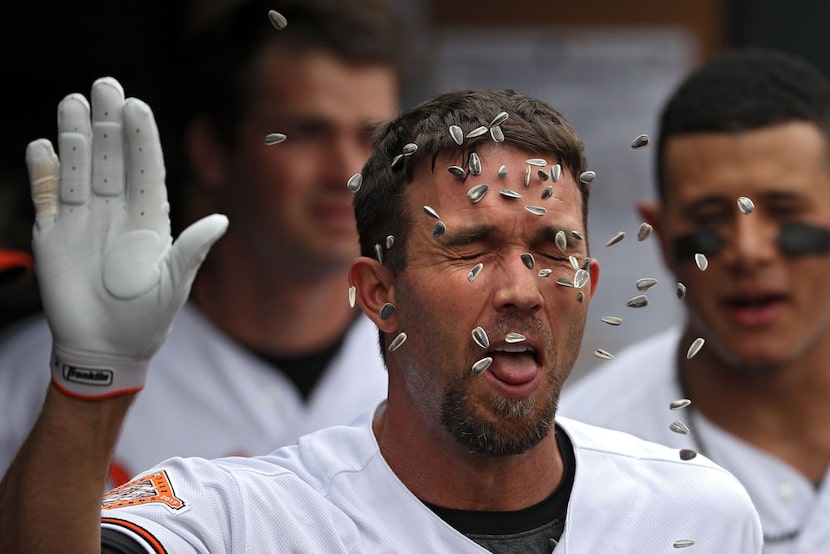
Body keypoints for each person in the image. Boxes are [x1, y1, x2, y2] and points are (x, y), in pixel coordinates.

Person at [0, 79, 762, 552]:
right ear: (376, 292)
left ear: (590, 283)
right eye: (471, 248)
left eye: (553, 249)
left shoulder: (700, 514)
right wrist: (95, 374)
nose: (523, 290)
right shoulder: (249, 518)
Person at [0, 0, 404, 487]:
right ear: (211, 150)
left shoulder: (444, 366)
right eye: (306, 133)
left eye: (372, 138)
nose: (348, 172)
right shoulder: (43, 376)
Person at [559, 48, 830, 553]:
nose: (748, 251)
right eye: (709, 217)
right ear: (660, 235)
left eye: (783, 209)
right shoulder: (577, 461)